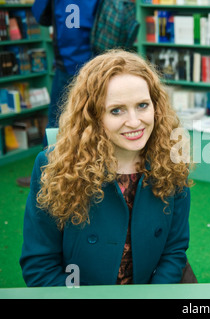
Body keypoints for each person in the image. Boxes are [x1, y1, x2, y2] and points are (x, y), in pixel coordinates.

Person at [20, 50, 192, 286]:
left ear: (156, 106)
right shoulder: (54, 166)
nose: (134, 121)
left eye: (142, 105)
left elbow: (174, 251)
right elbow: (40, 265)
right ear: (92, 116)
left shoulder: (171, 160)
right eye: (116, 110)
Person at [16, 0, 100, 187]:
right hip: (98, 62)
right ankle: (92, 170)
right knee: (96, 117)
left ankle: (46, 173)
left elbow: (40, 15)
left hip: (70, 65)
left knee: (57, 120)